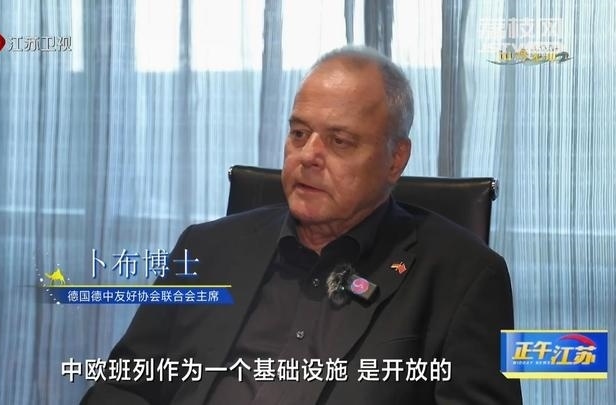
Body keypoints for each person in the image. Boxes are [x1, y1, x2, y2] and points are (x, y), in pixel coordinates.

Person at [81, 46, 522, 404]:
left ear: (395, 159)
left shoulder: (463, 278)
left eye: (339, 141)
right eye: (298, 133)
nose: (308, 155)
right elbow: (123, 387)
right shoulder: (207, 248)